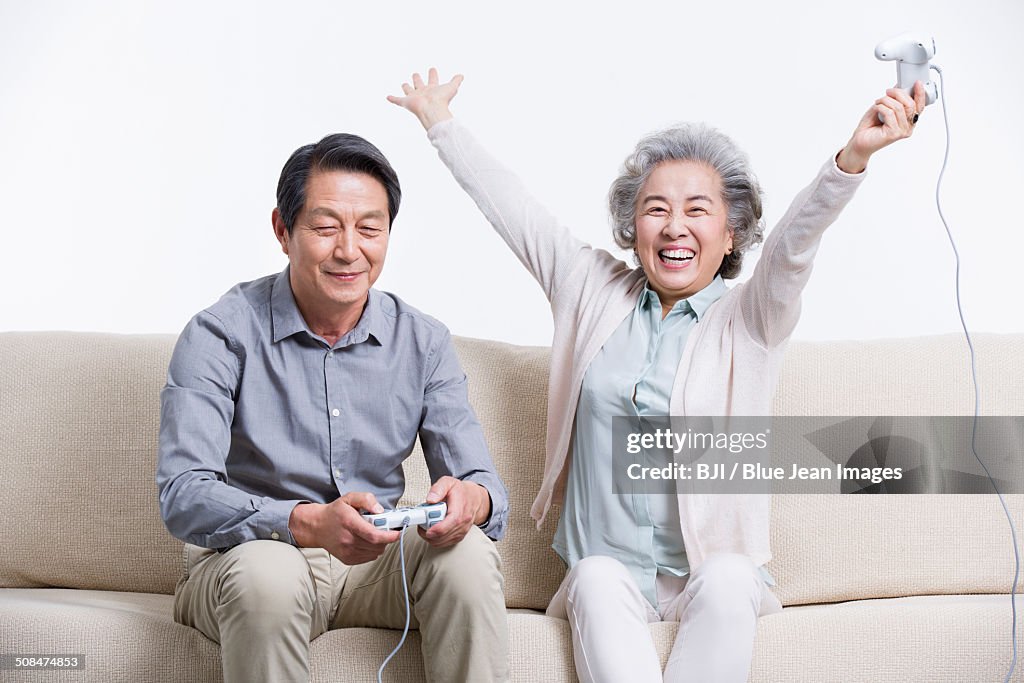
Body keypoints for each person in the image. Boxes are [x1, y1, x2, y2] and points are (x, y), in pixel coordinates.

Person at [389, 68, 925, 682]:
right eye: (656, 209)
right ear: (632, 227)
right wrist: (440, 123)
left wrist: (852, 158)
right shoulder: (589, 289)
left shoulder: (751, 319)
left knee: (730, 575)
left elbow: (794, 246)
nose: (675, 226)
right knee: (592, 573)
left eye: (698, 210)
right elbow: (514, 210)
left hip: (708, 579)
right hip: (609, 578)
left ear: (730, 236)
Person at [156, 132, 510, 683]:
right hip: (254, 557)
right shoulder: (219, 334)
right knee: (268, 577)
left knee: (469, 557)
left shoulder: (424, 341)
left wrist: (473, 499)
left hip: (377, 564)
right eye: (326, 228)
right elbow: (183, 495)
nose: (350, 250)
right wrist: (307, 523)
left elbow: (481, 483)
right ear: (283, 230)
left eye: (370, 228)